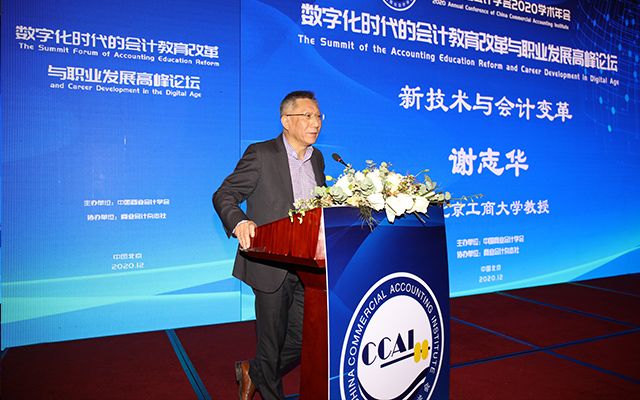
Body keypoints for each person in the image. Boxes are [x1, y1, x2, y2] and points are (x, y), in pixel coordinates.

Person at [212, 91, 326, 400]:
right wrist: (239, 221)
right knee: (271, 343)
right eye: (307, 116)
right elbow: (224, 194)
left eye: (318, 116)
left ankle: (254, 370)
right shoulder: (261, 154)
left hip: (307, 265)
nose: (315, 123)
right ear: (286, 121)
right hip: (270, 264)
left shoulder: (317, 158)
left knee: (304, 339)